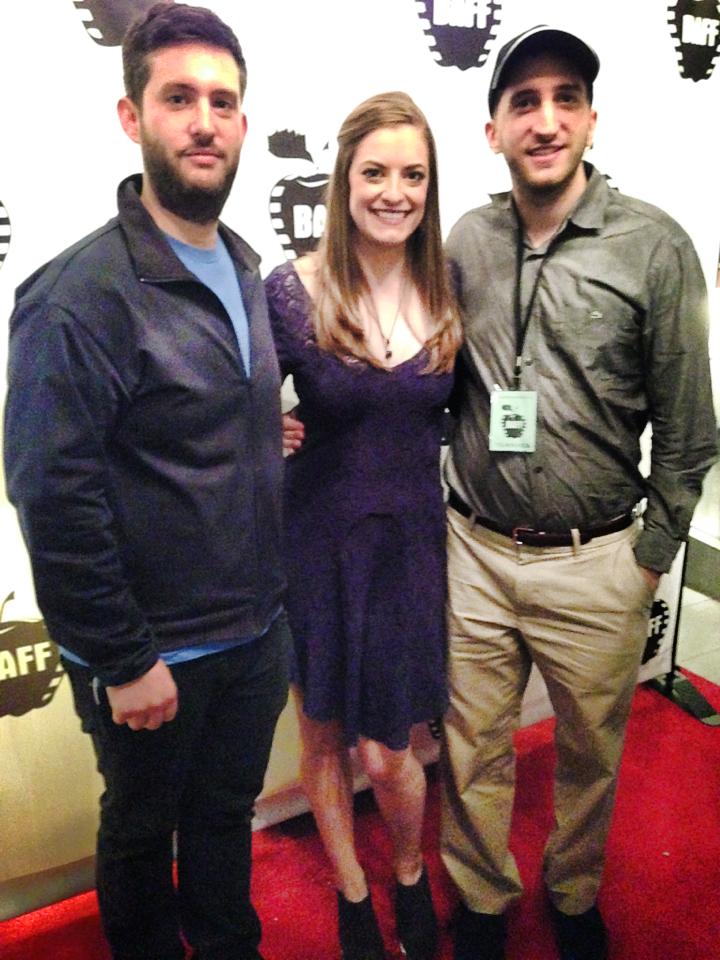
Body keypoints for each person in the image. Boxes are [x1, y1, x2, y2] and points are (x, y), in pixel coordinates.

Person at [3, 4, 290, 959]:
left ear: (244, 123)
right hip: (154, 658)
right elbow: (53, 495)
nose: (204, 121)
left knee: (223, 821)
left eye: (223, 101)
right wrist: (123, 659)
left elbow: (185, 424)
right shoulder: (78, 294)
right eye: (179, 99)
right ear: (134, 117)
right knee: (138, 837)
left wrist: (258, 431)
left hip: (252, 636)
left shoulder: (244, 265)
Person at [440, 25, 718, 960]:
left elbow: (690, 431)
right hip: (473, 552)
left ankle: (572, 891)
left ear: (592, 119)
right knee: (471, 746)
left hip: (595, 560)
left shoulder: (655, 246)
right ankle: (480, 901)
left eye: (565, 98)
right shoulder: (466, 241)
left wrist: (645, 563)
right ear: (494, 131)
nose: (546, 119)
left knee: (590, 757)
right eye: (524, 101)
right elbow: (423, 382)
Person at [265, 92, 462, 960]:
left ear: (430, 186)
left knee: (390, 750)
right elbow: (223, 396)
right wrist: (256, 426)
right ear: (343, 180)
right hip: (318, 537)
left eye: (412, 174)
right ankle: (351, 889)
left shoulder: (451, 288)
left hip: (411, 541)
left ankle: (410, 870)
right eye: (375, 171)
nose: (394, 191)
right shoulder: (290, 288)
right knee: (322, 730)